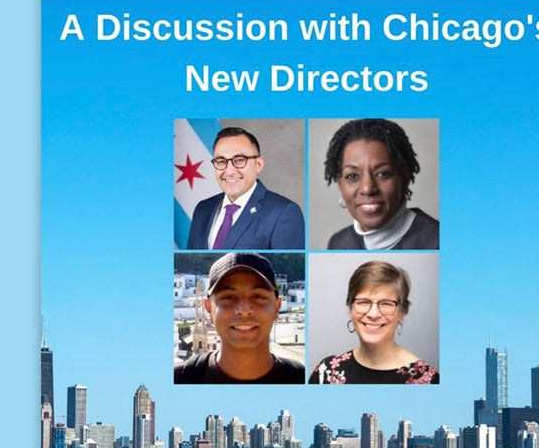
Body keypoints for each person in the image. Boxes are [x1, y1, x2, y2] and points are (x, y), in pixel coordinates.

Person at [176, 253, 305, 384]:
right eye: (228, 297)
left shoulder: (303, 378)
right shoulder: (180, 378)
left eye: (257, 296)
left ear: (277, 308)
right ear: (208, 308)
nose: (244, 310)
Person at [309, 261, 439, 384]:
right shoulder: (325, 373)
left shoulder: (429, 381)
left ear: (402, 312)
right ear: (350, 308)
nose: (373, 314)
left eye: (386, 304)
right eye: (364, 302)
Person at [323, 119, 439, 250]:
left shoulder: (438, 241)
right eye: (352, 176)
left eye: (383, 174)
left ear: (404, 178)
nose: (367, 189)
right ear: (340, 185)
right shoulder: (338, 243)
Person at [187, 127, 305, 249]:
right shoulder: (203, 209)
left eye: (239, 160)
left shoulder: (284, 212)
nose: (229, 171)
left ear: (258, 164)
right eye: (221, 161)